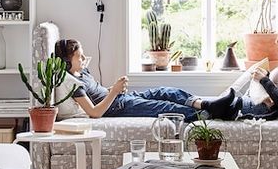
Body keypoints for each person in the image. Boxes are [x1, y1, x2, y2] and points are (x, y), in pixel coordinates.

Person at [54, 38, 206, 121]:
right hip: (116, 107)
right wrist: (114, 91)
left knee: (165, 91)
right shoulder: (74, 84)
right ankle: (206, 114)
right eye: (80, 57)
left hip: (121, 98)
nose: (84, 58)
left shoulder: (83, 72)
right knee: (164, 106)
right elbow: (94, 113)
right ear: (67, 62)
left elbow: (98, 94)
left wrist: (114, 88)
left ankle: (204, 104)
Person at [202, 15, 278, 122]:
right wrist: (266, 75)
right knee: (200, 104)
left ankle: (193, 103)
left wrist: (263, 79)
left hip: (259, 107)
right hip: (257, 103)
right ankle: (193, 103)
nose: (277, 41)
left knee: (202, 106)